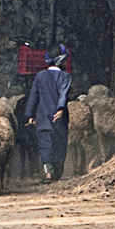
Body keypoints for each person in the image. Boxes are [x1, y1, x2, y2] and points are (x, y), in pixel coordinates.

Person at [25, 44, 72, 183]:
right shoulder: (65, 77)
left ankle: (48, 174)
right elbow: (64, 93)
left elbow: (34, 95)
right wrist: (61, 109)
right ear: (61, 61)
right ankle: (57, 172)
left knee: (45, 144)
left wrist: (30, 114)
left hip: (42, 116)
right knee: (59, 144)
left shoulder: (40, 76)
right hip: (59, 117)